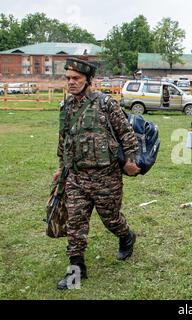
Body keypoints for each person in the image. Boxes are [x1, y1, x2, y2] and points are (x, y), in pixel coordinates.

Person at [53, 58, 141, 290]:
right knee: (75, 225)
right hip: (76, 177)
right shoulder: (66, 107)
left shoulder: (105, 103)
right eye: (68, 79)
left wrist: (131, 161)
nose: (71, 83)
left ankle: (126, 236)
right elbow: (64, 140)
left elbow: (127, 134)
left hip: (106, 177)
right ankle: (76, 270)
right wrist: (62, 167)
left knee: (111, 219)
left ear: (88, 80)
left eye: (76, 79)